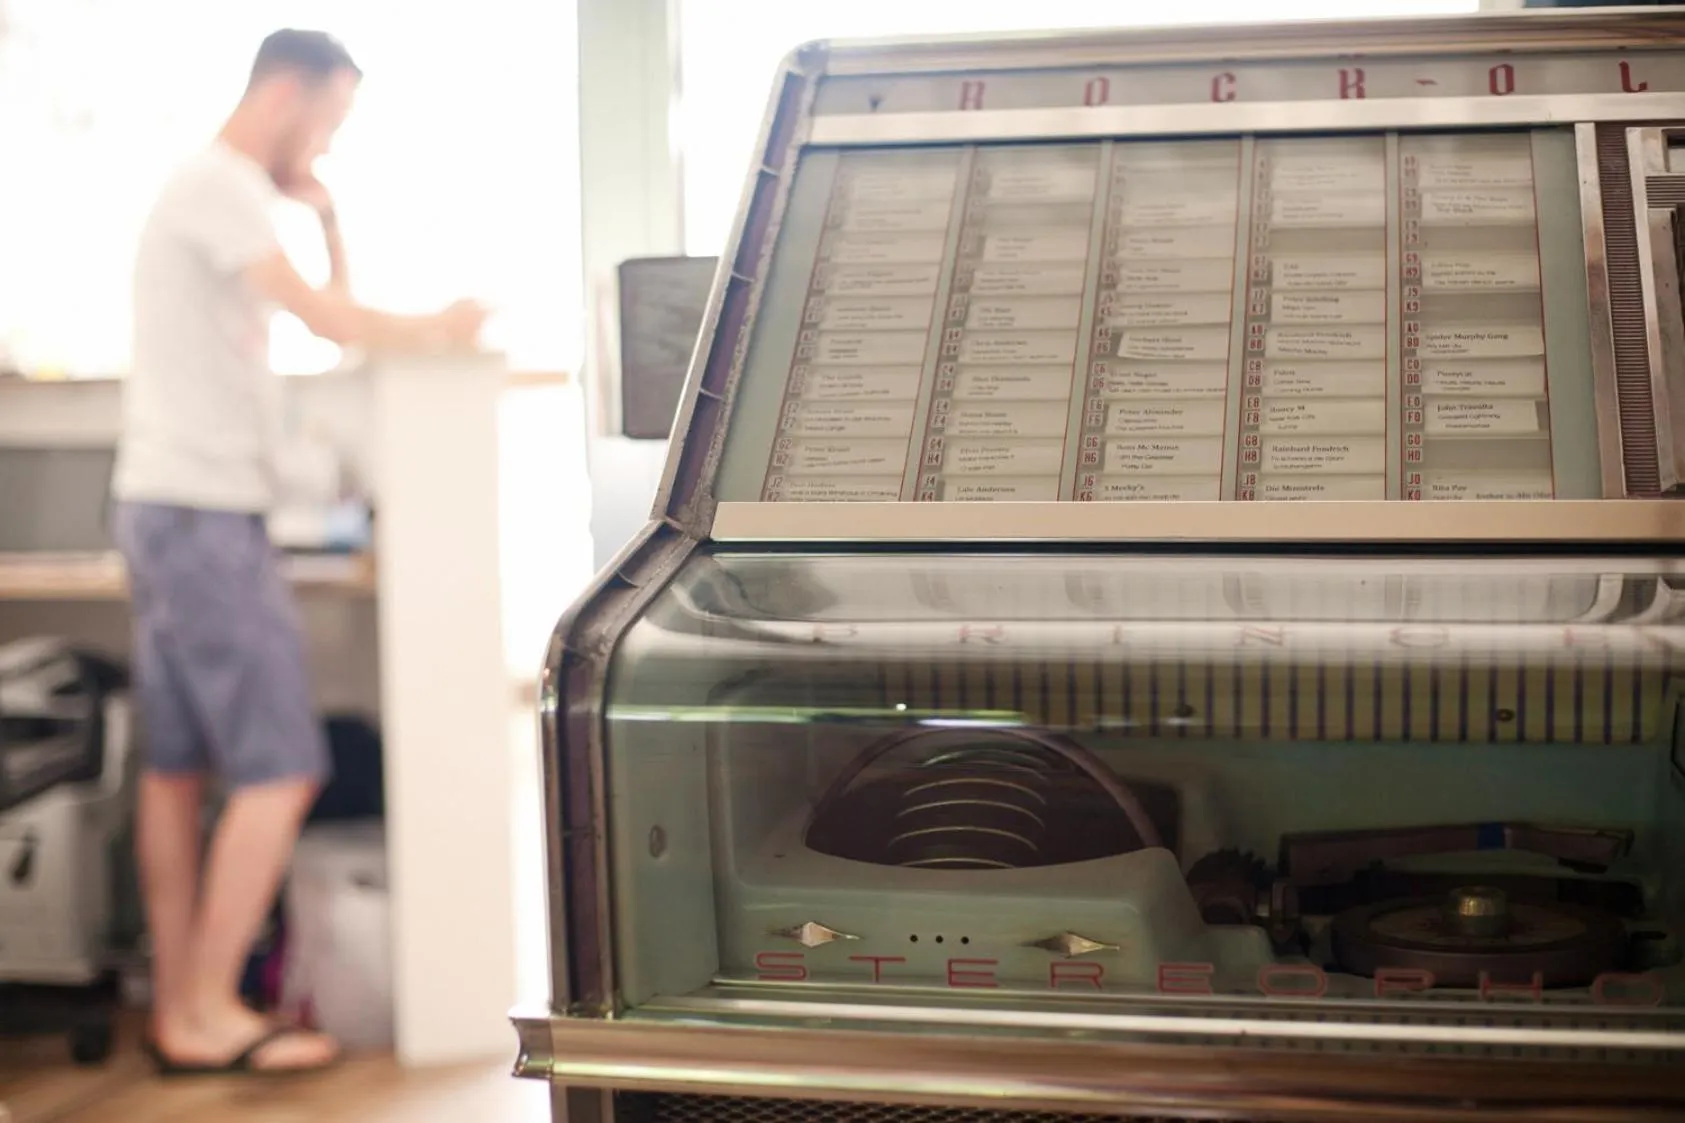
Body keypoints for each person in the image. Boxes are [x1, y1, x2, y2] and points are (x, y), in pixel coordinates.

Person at [111, 29, 485, 1075]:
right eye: (331, 118)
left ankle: (183, 1005)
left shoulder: (215, 193)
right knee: (282, 766)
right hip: (201, 514)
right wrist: (441, 326)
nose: (327, 140)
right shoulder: (218, 185)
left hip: (165, 506)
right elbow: (337, 325)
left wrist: (326, 215)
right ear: (290, 91)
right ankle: (206, 1008)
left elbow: (323, 325)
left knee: (179, 772)